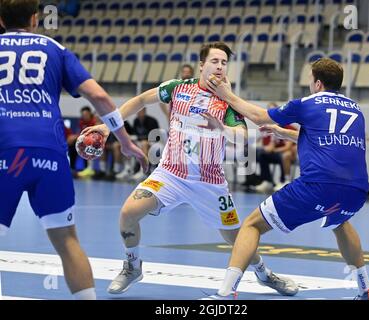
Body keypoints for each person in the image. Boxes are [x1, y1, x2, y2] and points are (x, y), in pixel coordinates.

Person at [83, 42, 298, 296]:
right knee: (128, 213)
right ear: (201, 65)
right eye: (215, 61)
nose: (219, 67)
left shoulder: (228, 102)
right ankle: (132, 266)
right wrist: (109, 127)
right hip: (170, 175)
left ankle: (264, 273)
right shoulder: (178, 88)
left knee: (236, 238)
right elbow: (141, 100)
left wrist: (221, 128)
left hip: (210, 183)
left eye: (224, 63)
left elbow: (241, 137)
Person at [0, 0, 147, 300]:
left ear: (1, 20)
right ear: (35, 19)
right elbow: (100, 97)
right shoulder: (54, 48)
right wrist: (125, 141)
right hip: (50, 153)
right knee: (67, 241)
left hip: (5, 151)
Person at [204, 58, 369, 300]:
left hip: (317, 187)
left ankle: (227, 292)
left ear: (317, 83)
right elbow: (328, 142)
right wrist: (285, 133)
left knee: (252, 225)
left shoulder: (308, 103)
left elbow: (260, 117)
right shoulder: (356, 109)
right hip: (356, 192)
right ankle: (365, 288)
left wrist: (227, 94)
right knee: (340, 223)